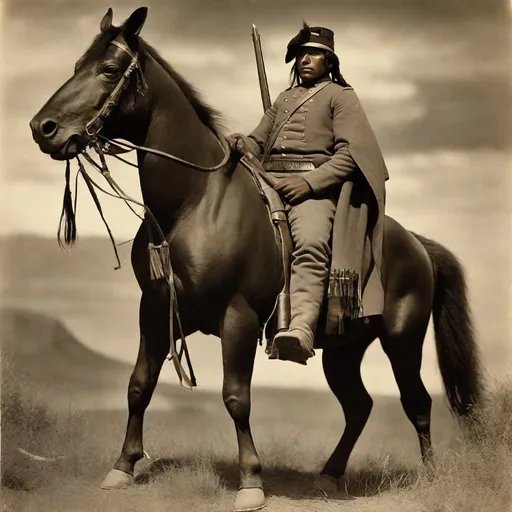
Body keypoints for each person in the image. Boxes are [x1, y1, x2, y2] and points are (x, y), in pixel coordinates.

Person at [228, 23, 389, 365]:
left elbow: (351, 155)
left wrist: (310, 183)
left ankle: (300, 329)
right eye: (302, 53)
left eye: (314, 53)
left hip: (313, 191)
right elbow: (258, 141)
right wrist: (241, 142)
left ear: (329, 62)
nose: (306, 59)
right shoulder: (284, 100)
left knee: (312, 243)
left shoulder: (341, 97)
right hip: (269, 181)